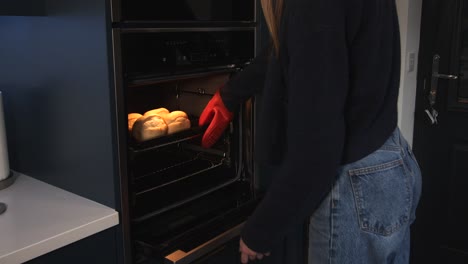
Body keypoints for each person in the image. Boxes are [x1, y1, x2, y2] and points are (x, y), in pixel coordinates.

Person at [198, 0, 422, 263]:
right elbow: (292, 47)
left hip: (354, 191)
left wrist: (262, 229)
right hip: (391, 163)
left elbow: (316, 151)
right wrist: (231, 94)